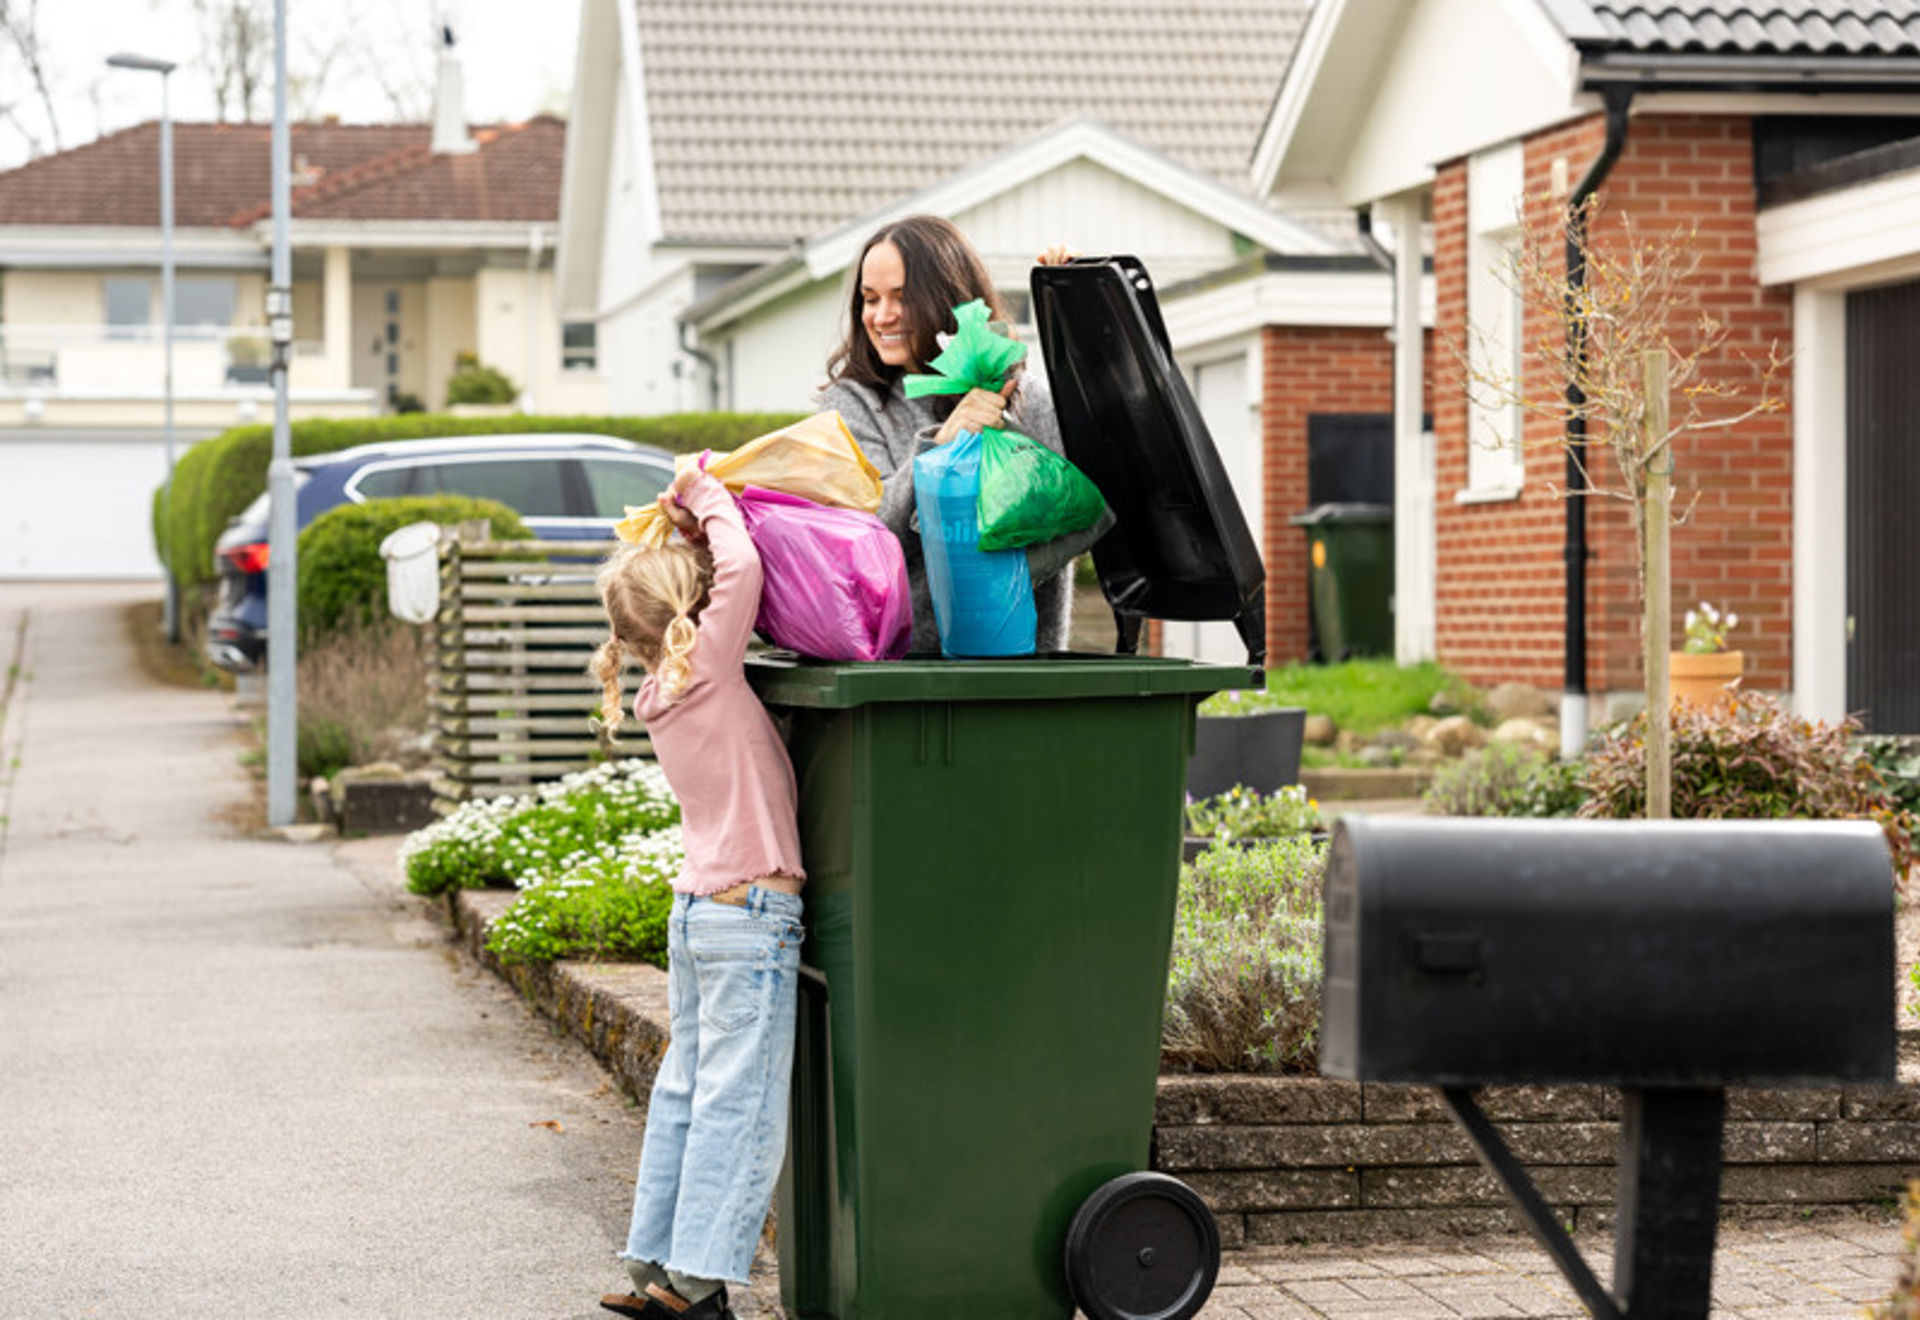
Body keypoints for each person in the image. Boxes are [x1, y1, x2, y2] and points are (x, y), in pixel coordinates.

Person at [590, 464, 806, 1320]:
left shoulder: (659, 689)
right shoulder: (709, 670)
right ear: (692, 613)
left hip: (699, 916)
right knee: (738, 1106)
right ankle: (697, 1285)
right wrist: (701, 493)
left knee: (684, 1091)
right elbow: (746, 570)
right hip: (750, 915)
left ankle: (655, 1266)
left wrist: (679, 540)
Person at [818, 215, 1103, 654]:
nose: (881, 316)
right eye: (870, 299)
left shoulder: (1025, 400)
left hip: (1022, 671)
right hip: (902, 675)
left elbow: (1093, 498)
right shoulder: (853, 405)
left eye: (901, 297)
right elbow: (863, 533)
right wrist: (940, 448)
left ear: (945, 296)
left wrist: (1081, 308)